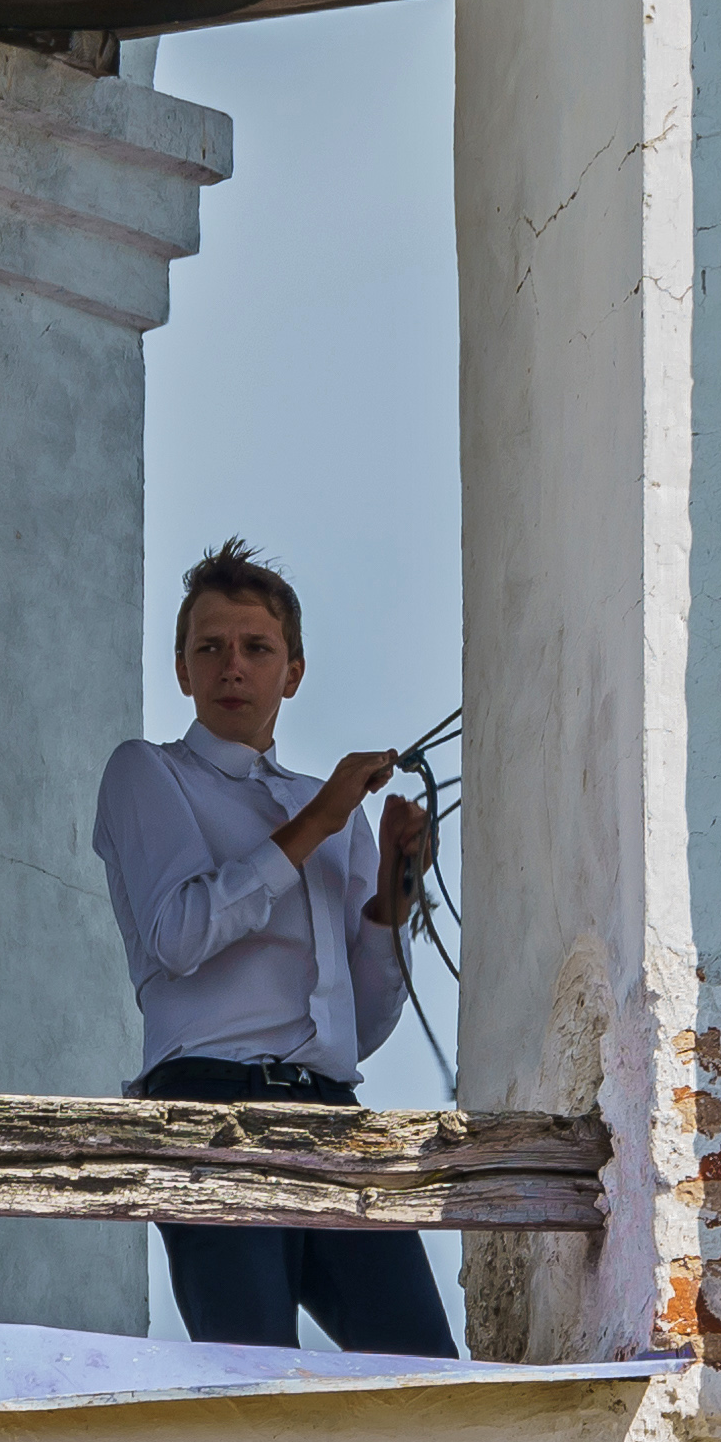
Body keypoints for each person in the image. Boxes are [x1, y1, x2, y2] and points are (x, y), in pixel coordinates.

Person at [89, 539, 450, 1356]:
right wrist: (318, 820)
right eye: (208, 648)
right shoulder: (148, 773)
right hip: (208, 1102)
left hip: (329, 1114)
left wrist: (394, 889)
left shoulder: (326, 808)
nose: (232, 667)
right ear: (180, 669)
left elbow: (360, 1020)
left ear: (292, 671)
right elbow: (179, 934)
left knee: (420, 1366)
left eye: (256, 648)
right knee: (246, 1363)